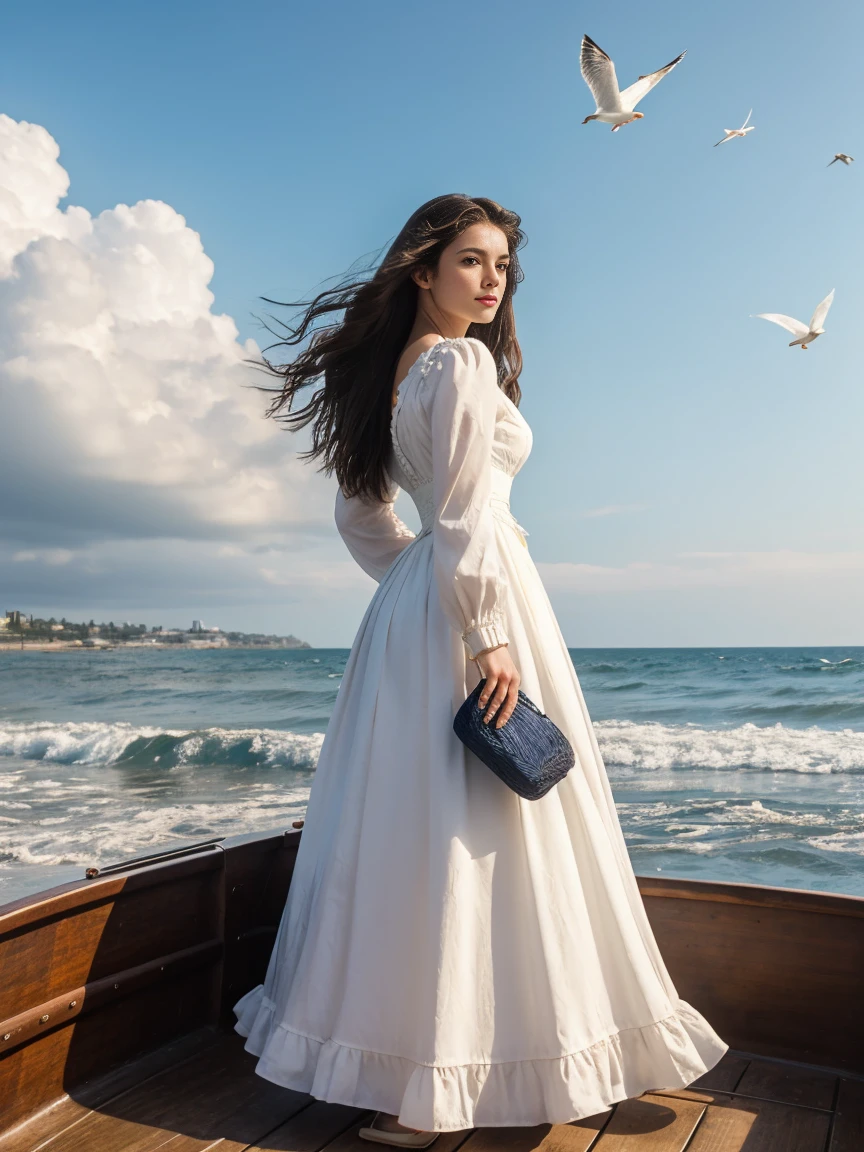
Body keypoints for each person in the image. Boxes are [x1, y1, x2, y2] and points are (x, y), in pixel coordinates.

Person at [234, 194, 728, 1145]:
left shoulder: (390, 379)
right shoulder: (458, 362)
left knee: (421, 829)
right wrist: (483, 624)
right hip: (476, 603)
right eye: (471, 260)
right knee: (482, 827)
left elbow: (366, 521)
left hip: (422, 612)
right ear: (423, 272)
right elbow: (462, 512)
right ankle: (460, 1080)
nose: (493, 278)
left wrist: (411, 589)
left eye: (502, 263)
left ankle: (445, 1069)